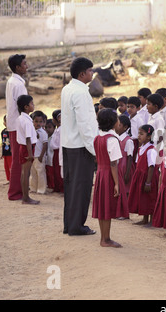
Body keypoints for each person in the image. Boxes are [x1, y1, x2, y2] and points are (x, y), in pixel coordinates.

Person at [61, 57, 98, 236]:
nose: (92, 73)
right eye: (90, 70)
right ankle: (76, 226)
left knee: (71, 186)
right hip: (80, 146)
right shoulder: (81, 93)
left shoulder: (68, 88)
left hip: (69, 144)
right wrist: (94, 149)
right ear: (82, 74)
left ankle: (70, 224)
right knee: (81, 187)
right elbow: (85, 124)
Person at [92, 108, 128, 248]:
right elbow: (113, 163)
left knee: (102, 207)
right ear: (114, 122)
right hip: (109, 175)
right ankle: (106, 239)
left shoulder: (98, 137)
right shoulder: (112, 139)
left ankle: (104, 237)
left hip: (101, 173)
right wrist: (117, 183)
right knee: (107, 207)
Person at [6, 54, 28, 201]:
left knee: (17, 158)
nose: (26, 66)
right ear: (17, 67)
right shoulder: (18, 84)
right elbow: (22, 106)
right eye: (24, 64)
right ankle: (15, 192)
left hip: (13, 123)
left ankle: (18, 189)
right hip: (18, 125)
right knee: (18, 159)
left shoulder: (12, 81)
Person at [128, 125, 159, 226]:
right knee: (143, 198)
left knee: (150, 197)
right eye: (138, 133)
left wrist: (148, 182)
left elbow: (151, 166)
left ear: (149, 136)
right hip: (140, 176)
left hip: (148, 177)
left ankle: (152, 219)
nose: (139, 136)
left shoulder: (151, 150)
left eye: (142, 134)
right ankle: (145, 218)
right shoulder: (140, 148)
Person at [16, 95, 39, 205]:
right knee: (26, 173)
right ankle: (26, 198)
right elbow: (28, 139)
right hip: (27, 148)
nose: (33, 105)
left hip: (23, 147)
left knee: (24, 173)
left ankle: (25, 196)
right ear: (26, 107)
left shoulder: (21, 118)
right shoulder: (26, 121)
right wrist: (30, 154)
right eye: (32, 104)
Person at [30, 110, 48, 195]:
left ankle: (41, 189)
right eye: (36, 121)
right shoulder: (31, 131)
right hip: (32, 156)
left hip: (39, 156)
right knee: (33, 173)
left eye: (40, 122)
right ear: (32, 121)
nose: (38, 123)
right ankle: (33, 188)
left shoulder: (43, 133)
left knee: (40, 173)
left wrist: (41, 156)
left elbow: (45, 145)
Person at [116, 115, 134, 197]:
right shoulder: (116, 138)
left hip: (124, 167)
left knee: (125, 188)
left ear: (125, 127)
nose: (116, 127)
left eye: (119, 125)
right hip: (118, 166)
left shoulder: (128, 141)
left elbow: (130, 157)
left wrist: (127, 173)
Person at [51, 110, 63, 193]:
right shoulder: (57, 129)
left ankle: (61, 187)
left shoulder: (61, 130)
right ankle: (57, 187)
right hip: (54, 152)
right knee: (55, 170)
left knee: (59, 170)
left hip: (59, 151)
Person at [45, 119, 55, 192]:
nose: (47, 129)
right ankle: (49, 185)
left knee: (52, 174)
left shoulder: (54, 137)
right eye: (46, 127)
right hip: (47, 159)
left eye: (49, 127)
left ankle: (53, 186)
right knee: (48, 173)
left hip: (52, 158)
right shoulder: (46, 136)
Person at [1, 115, 12, 182]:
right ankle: (8, 179)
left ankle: (12, 180)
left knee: (11, 167)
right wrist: (2, 153)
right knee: (6, 167)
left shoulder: (12, 132)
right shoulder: (3, 132)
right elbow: (3, 143)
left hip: (11, 153)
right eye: (6, 121)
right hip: (5, 153)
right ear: (4, 123)